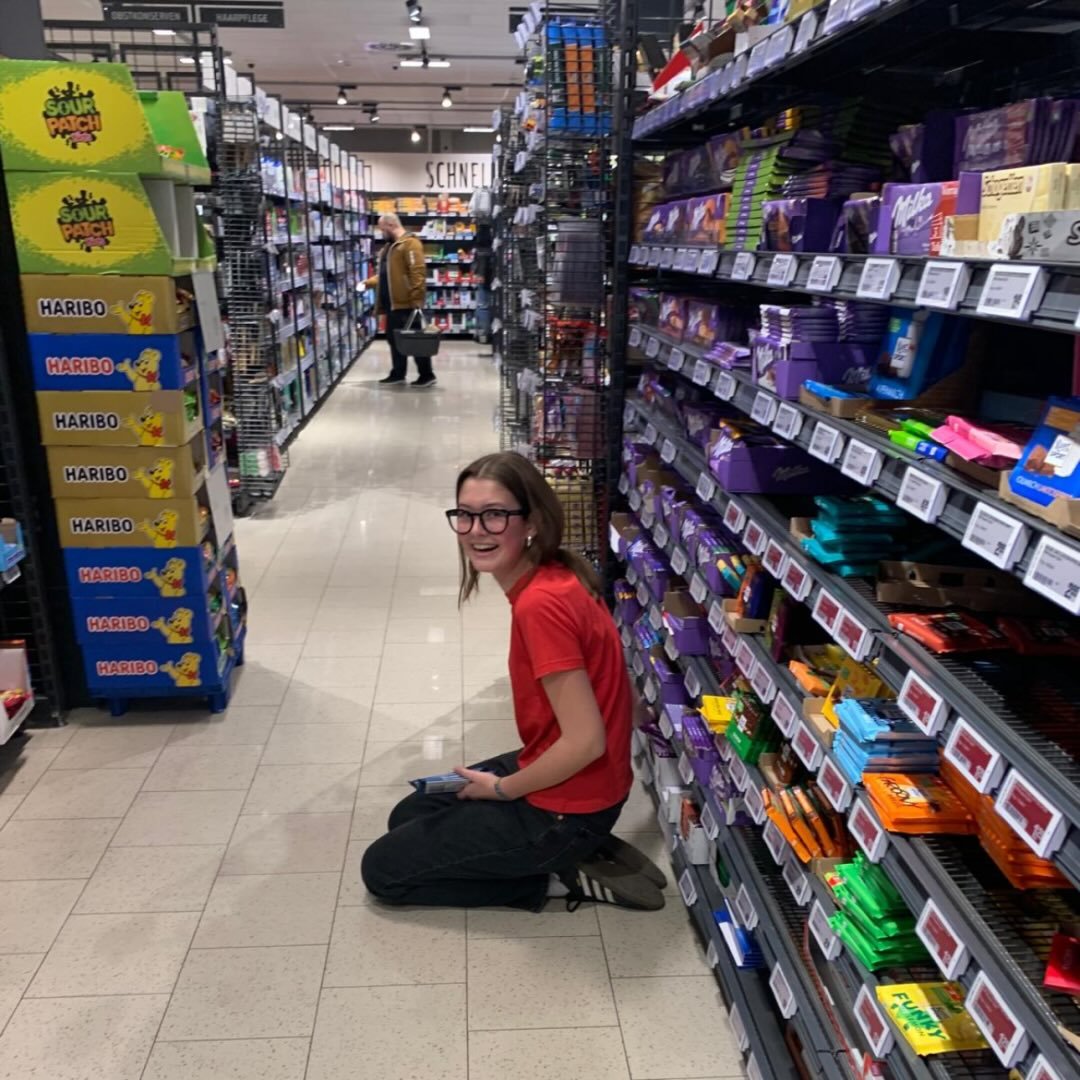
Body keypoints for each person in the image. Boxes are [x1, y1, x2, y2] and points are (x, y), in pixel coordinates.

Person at [361, 451, 666, 912]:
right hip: (584, 783)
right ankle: (575, 847)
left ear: (532, 522)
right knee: (410, 813)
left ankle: (557, 875)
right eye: (465, 515)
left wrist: (503, 790)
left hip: (568, 808)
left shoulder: (540, 606)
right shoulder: (560, 571)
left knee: (383, 871)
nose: (476, 530)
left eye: (495, 515)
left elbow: (586, 743)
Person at [365, 212, 435, 388]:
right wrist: (367, 283)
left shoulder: (410, 244)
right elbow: (386, 275)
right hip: (393, 304)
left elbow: (417, 273)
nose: (381, 233)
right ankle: (398, 373)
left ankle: (427, 375)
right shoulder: (390, 247)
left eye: (382, 229)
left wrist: (416, 300)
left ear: (391, 225)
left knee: (416, 341)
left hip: (407, 304)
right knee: (394, 340)